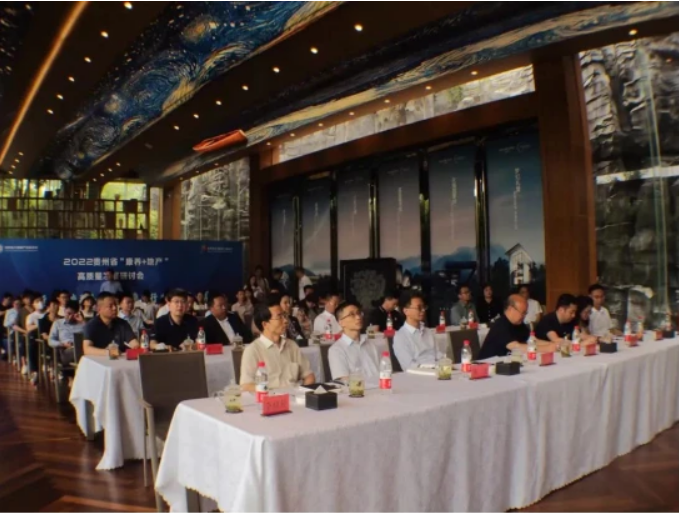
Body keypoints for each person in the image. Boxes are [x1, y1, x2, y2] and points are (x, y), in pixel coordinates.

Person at [240, 302, 315, 391]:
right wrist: (267, 393)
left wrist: (302, 393)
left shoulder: (292, 345)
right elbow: (246, 385)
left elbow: (309, 376)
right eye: (279, 317)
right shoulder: (253, 350)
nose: (285, 321)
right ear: (265, 324)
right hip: (269, 397)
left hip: (294, 396)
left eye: (284, 316)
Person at [478, 295, 555, 359]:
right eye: (522, 313)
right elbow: (517, 347)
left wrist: (554, 345)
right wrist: (547, 348)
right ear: (511, 309)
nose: (524, 316)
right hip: (488, 365)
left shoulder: (519, 324)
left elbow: (532, 340)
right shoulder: (501, 325)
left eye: (525, 313)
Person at [329, 301, 380, 382]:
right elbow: (344, 381)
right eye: (351, 314)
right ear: (341, 322)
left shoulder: (370, 344)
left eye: (359, 313)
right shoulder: (336, 350)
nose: (358, 317)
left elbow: (382, 372)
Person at [393, 292, 444, 370]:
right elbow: (409, 366)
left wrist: (445, 363)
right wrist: (433, 367)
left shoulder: (428, 332)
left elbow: (439, 355)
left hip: (437, 370)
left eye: (424, 307)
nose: (423, 310)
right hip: (419, 374)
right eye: (419, 308)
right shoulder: (400, 337)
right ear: (406, 311)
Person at [49, 300, 85, 365]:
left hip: (80, 348)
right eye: (68, 313)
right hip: (65, 350)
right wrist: (63, 344)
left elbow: (91, 336)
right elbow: (50, 341)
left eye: (73, 315)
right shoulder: (58, 323)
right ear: (64, 311)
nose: (70, 317)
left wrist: (83, 322)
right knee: (80, 352)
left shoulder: (82, 324)